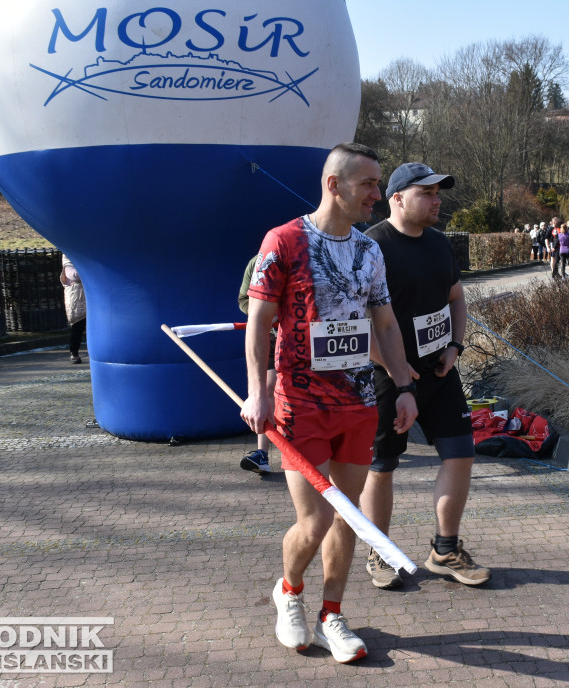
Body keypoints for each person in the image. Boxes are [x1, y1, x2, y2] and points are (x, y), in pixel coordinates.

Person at [240, 142, 418, 664]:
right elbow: (259, 322)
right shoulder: (285, 241)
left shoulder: (369, 251)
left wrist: (404, 387)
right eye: (368, 184)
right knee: (316, 519)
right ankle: (289, 592)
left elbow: (384, 323)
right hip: (300, 403)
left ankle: (332, 614)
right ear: (333, 184)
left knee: (349, 519)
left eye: (379, 184)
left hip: (359, 403)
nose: (378, 194)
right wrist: (258, 391)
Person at [361, 162, 491, 592]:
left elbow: (456, 297)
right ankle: (380, 551)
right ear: (396, 198)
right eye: (427, 194)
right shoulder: (369, 248)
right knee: (382, 466)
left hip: (440, 372)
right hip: (386, 378)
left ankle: (445, 550)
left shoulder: (439, 243)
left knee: (460, 454)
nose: (437, 201)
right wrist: (397, 372)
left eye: (439, 193)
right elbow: (358, 324)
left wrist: (455, 346)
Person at [237, 254, 277, 473]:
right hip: (270, 335)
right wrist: (263, 313)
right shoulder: (257, 262)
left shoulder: (306, 257)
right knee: (268, 387)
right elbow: (244, 299)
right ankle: (262, 454)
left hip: (303, 336)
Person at [59, 255, 86, 364]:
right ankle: (74, 353)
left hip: (89, 297)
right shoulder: (68, 258)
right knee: (77, 326)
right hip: (77, 297)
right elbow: (74, 275)